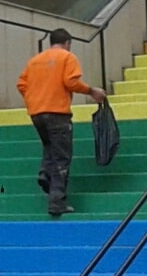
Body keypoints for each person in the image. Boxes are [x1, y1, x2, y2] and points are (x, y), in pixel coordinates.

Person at [17, 28, 109, 218]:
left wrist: (34, 100)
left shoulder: (35, 61)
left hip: (36, 113)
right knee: (62, 157)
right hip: (57, 112)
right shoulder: (67, 57)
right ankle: (56, 202)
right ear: (67, 42)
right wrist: (92, 91)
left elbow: (21, 84)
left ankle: (45, 174)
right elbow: (71, 82)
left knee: (49, 145)